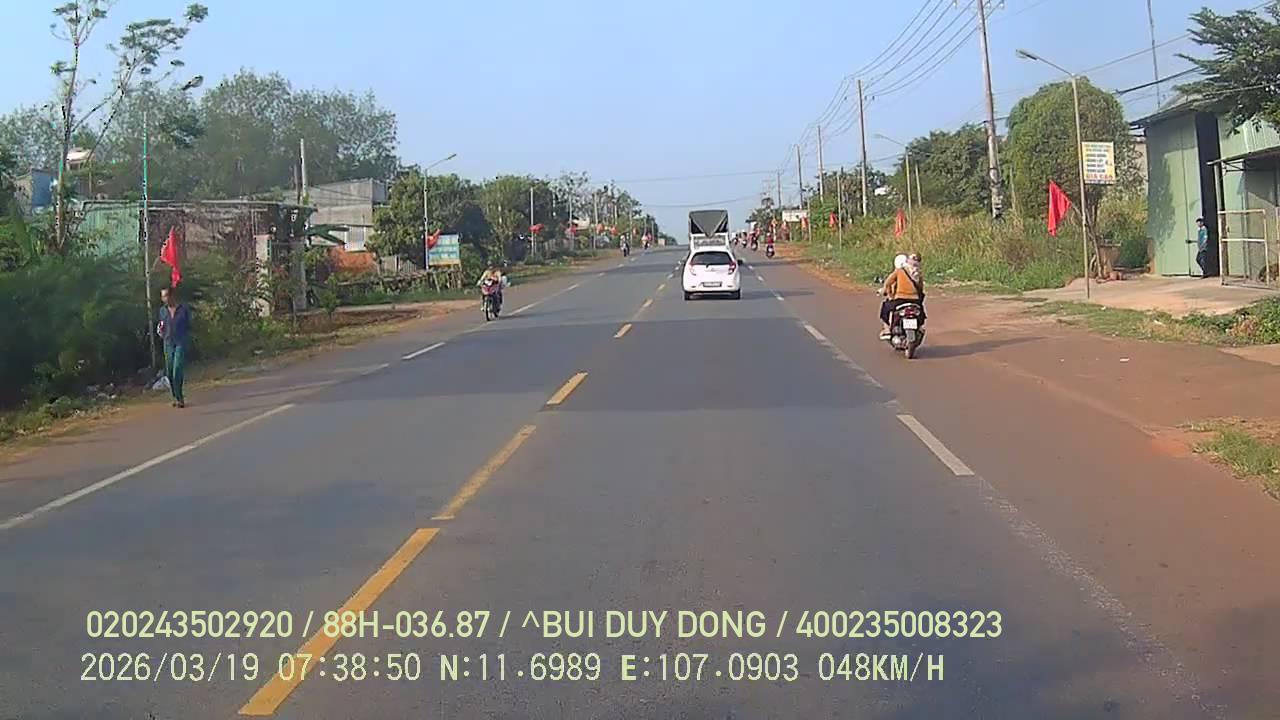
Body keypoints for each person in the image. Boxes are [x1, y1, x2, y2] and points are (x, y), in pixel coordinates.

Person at [156, 286, 191, 408]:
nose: (164, 299)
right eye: (162, 296)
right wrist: (160, 331)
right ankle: (175, 396)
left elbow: (188, 325)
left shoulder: (183, 309)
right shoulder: (162, 311)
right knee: (170, 371)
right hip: (168, 343)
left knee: (177, 369)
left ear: (172, 296)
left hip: (180, 342)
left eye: (166, 296)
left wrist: (185, 337)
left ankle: (180, 397)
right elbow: (161, 325)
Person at [879, 252, 925, 339]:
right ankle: (920, 327)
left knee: (885, 307)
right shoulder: (918, 273)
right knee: (921, 311)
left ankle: (887, 329)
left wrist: (890, 295)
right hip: (915, 300)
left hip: (900, 299)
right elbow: (920, 288)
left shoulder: (899, 271)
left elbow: (888, 283)